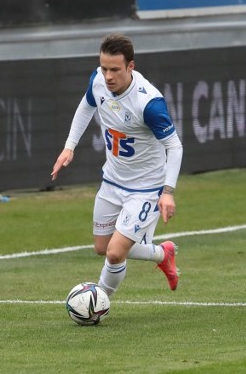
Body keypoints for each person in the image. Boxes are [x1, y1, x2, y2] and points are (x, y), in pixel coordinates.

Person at [51, 33, 183, 297]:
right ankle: (162, 254)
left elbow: (174, 146)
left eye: (115, 70)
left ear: (130, 67)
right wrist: (69, 146)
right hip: (112, 180)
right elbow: (86, 106)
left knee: (114, 253)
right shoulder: (98, 81)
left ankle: (99, 302)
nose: (108, 76)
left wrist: (167, 192)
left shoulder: (149, 104)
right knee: (102, 247)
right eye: (104, 68)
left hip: (146, 188)